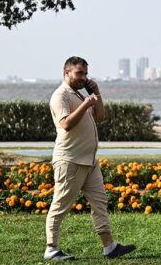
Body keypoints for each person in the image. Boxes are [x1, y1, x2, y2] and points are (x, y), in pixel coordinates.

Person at [44, 56, 136, 261]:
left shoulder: (78, 93)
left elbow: (100, 117)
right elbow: (66, 124)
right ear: (66, 72)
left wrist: (97, 94)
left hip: (89, 161)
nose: (83, 77)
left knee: (100, 203)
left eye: (85, 73)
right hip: (70, 160)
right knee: (60, 205)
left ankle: (109, 247)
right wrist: (85, 104)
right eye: (79, 73)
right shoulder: (60, 96)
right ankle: (51, 248)